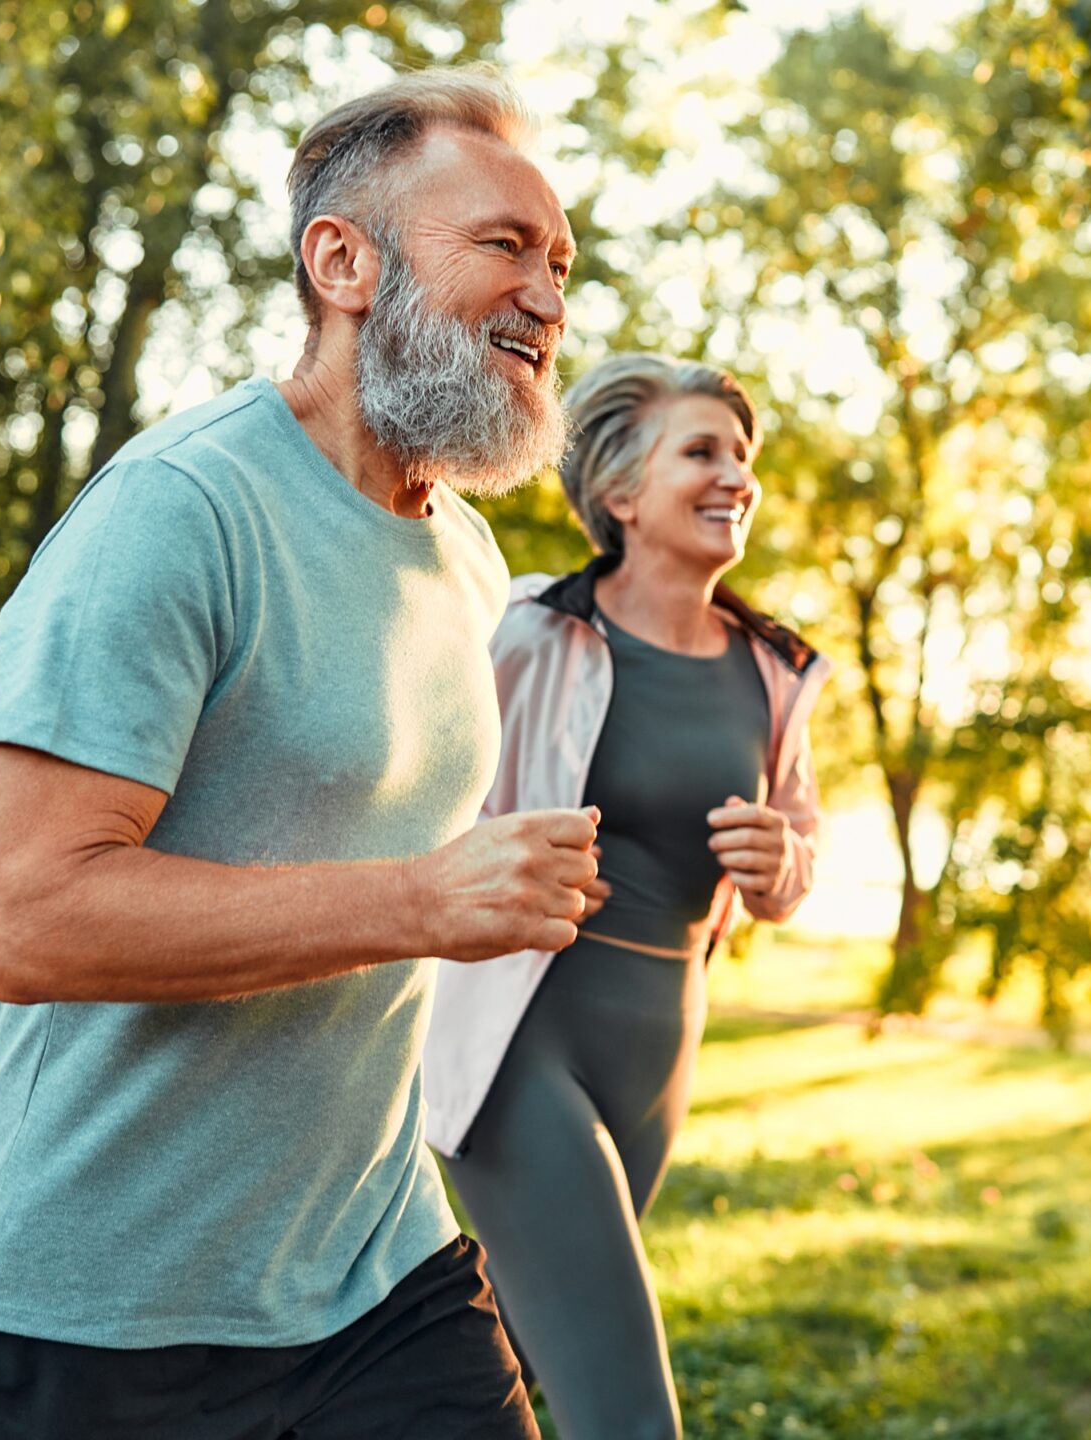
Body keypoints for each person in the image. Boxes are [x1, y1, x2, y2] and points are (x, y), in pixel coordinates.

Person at [0, 68, 596, 1440]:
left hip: (376, 1276)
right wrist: (419, 901)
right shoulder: (177, 513)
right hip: (100, 1313)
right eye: (505, 246)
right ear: (343, 261)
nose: (551, 301)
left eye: (563, 262)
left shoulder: (462, 551)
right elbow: (28, 917)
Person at [423, 355, 831, 1440]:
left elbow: (798, 844)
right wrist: (511, 853)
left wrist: (781, 863)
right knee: (627, 1414)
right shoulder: (525, 633)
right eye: (701, 451)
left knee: (485, 1377)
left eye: (743, 457)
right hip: (521, 1038)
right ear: (619, 494)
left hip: (658, 1049)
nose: (734, 476)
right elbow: (421, 800)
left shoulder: (774, 669)